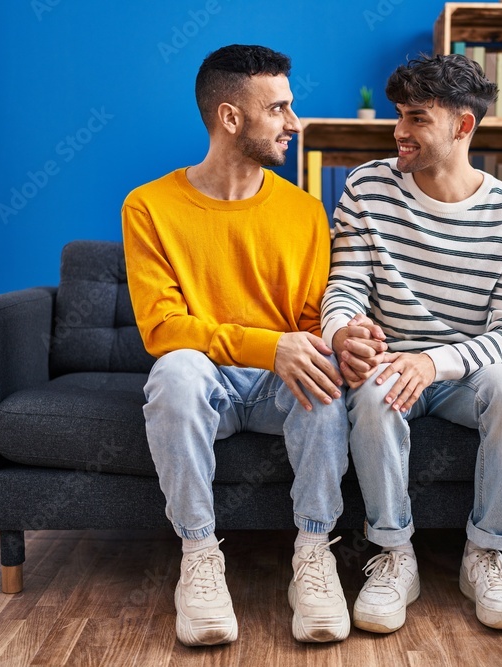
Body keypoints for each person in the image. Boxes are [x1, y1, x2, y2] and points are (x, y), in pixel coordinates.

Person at [122, 44, 351, 647]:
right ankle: (199, 557)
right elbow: (162, 328)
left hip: (280, 392)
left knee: (323, 365)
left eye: (290, 108)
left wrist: (339, 338)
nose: (293, 123)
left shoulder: (304, 212)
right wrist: (269, 346)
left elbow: (308, 322)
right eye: (278, 109)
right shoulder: (149, 207)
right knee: (175, 371)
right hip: (208, 389)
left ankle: (313, 552)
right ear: (231, 117)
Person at [321, 53, 502, 634]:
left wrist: (434, 361)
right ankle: (394, 554)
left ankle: (486, 554)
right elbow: (344, 285)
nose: (399, 132)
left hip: (462, 371)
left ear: (463, 126)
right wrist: (343, 330)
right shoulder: (367, 187)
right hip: (391, 363)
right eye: (399, 116)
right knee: (371, 395)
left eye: (417, 118)